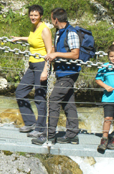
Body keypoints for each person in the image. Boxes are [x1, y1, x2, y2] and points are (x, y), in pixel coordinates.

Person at [32, 8, 81, 145]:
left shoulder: (71, 33)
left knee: (53, 100)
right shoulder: (59, 32)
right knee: (68, 103)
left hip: (69, 73)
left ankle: (50, 135)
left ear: (56, 20)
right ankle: (72, 134)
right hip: (62, 73)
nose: (51, 22)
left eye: (52, 19)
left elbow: (75, 54)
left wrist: (56, 55)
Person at [11, 5, 52, 134]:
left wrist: (46, 70)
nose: (33, 17)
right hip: (32, 64)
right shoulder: (34, 28)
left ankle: (40, 128)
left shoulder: (45, 30)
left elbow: (50, 50)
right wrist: (19, 38)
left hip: (41, 64)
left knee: (39, 96)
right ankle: (30, 123)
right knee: (20, 92)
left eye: (36, 15)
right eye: (31, 15)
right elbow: (33, 40)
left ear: (40, 16)